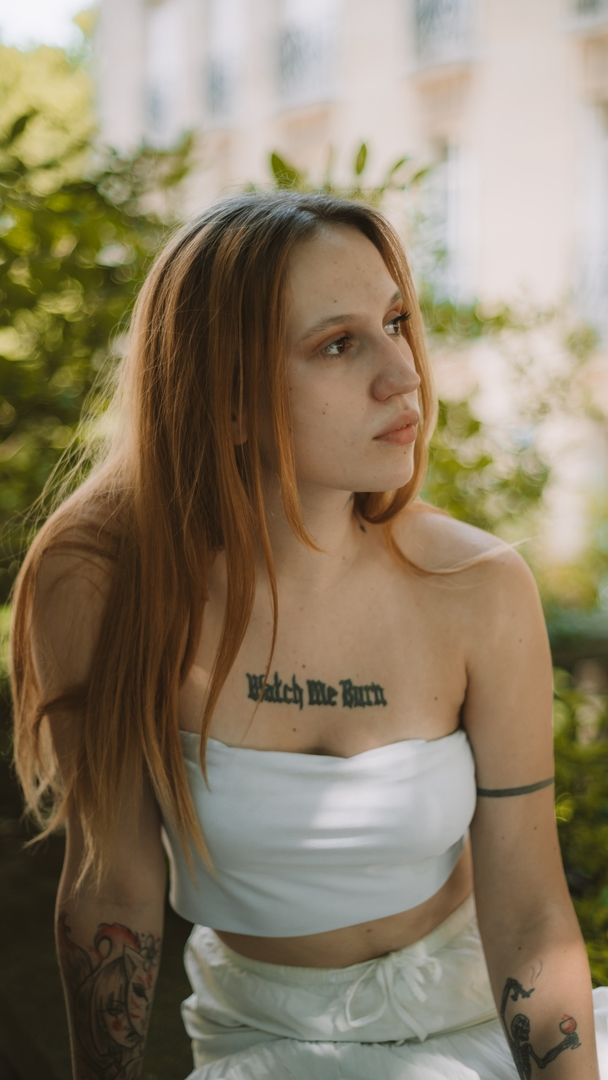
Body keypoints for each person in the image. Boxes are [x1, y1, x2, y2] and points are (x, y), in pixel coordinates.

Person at [10, 191, 608, 1080]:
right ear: (227, 399)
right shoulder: (102, 583)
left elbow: (528, 915)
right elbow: (112, 889)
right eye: (337, 344)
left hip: (477, 1020)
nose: (403, 374)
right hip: (269, 1047)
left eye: (396, 322)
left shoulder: (479, 587)